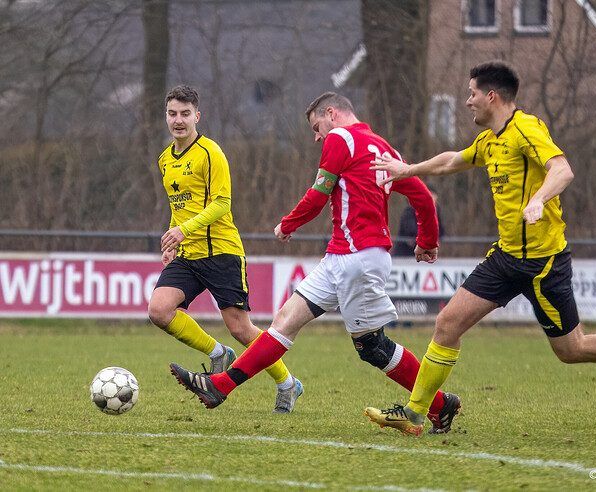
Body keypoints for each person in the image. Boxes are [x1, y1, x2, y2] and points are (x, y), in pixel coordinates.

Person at [364, 61, 596, 436]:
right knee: (447, 323)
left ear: (491, 96)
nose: (467, 101)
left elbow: (562, 169)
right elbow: (452, 161)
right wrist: (407, 169)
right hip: (507, 257)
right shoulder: (490, 139)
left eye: (471, 93)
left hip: (543, 263)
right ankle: (418, 414)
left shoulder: (526, 128)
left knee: (571, 350)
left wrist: (539, 198)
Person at [169, 92, 462, 434]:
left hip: (359, 258)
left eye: (316, 126)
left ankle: (440, 404)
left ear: (332, 113)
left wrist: (288, 223)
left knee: (372, 346)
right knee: (284, 321)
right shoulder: (384, 149)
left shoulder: (340, 138)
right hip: (341, 256)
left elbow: (319, 194)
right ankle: (220, 386)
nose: (317, 136)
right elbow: (422, 196)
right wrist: (427, 241)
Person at [149, 85, 302, 413]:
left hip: (222, 252)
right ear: (166, 116)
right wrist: (173, 243)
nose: (178, 120)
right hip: (189, 254)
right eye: (173, 113)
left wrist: (182, 229)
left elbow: (222, 204)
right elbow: (180, 207)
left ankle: (288, 383)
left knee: (241, 328)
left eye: (185, 114)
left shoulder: (210, 153)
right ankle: (217, 352)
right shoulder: (165, 159)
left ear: (197, 116)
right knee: (159, 311)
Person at [393, 186, 445, 257]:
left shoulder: (436, 212)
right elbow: (411, 230)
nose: (432, 200)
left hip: (424, 255)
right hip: (406, 254)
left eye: (433, 197)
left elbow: (441, 231)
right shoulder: (410, 210)